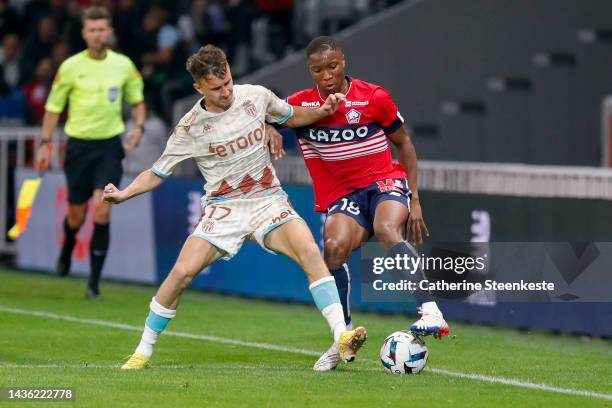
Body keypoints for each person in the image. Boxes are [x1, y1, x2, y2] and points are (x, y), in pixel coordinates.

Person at [103, 44, 367, 370]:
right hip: (223, 209)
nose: (226, 90)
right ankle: (142, 351)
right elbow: (158, 172)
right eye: (217, 88)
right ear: (199, 87)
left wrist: (323, 111)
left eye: (227, 80)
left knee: (310, 251)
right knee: (181, 273)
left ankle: (341, 335)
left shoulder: (255, 95)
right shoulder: (190, 127)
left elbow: (290, 115)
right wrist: (125, 193)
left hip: (267, 200)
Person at [275, 36, 450, 371]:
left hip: (383, 181)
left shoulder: (373, 97)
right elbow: (265, 115)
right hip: (342, 195)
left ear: (344, 61)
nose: (326, 75)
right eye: (317, 70)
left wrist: (415, 197)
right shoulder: (298, 107)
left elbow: (405, 144)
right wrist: (271, 129)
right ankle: (343, 338)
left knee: (386, 229)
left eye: (332, 66)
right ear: (309, 71)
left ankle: (431, 311)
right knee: (334, 248)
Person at [36, 6, 146, 300]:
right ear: (85, 33)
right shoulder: (70, 66)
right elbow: (53, 108)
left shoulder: (123, 65)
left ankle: (94, 283)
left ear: (110, 31)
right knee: (77, 215)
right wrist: (45, 144)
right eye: (92, 30)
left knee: (102, 208)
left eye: (102, 29)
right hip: (78, 146)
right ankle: (68, 244)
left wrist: (138, 126)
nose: (98, 34)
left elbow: (137, 102)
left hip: (109, 146)